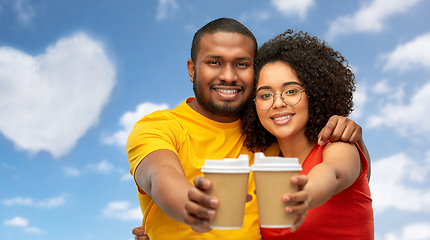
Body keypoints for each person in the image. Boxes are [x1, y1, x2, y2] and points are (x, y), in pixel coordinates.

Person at [127, 18, 369, 240]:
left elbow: (340, 174)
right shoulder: (159, 127)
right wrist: (190, 206)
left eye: (241, 64)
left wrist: (355, 141)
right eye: (214, 62)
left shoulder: (270, 142)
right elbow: (159, 174)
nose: (229, 76)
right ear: (192, 69)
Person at [240, 30, 374, 239]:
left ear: (314, 93)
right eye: (265, 95)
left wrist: (304, 194)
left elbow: (333, 173)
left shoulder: (338, 145)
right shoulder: (268, 167)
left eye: (291, 91)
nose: (278, 103)